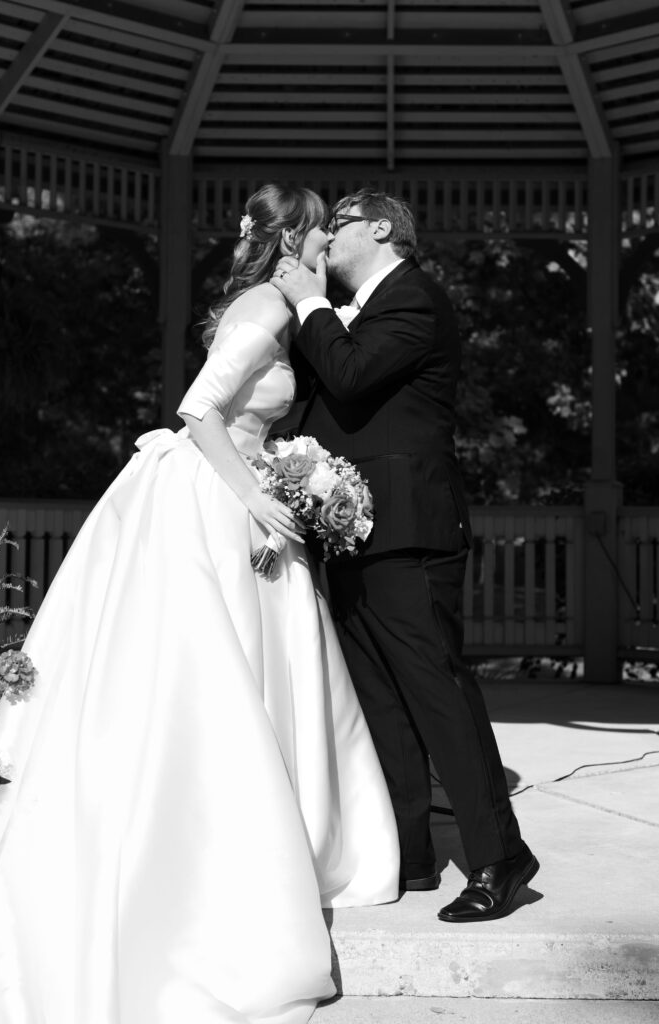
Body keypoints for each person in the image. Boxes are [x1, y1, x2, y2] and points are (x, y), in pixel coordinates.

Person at [0, 184, 400, 1024]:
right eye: (321, 236)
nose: (328, 250)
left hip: (235, 496)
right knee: (209, 682)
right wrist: (256, 496)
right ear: (293, 243)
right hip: (210, 504)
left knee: (263, 672)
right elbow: (199, 408)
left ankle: (292, 838)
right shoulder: (267, 306)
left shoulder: (279, 304)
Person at [271, 189, 539, 923]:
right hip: (348, 532)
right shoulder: (347, 313)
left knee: (437, 696)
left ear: (380, 228)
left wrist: (311, 304)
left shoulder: (414, 298)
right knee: (378, 703)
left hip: (411, 532)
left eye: (339, 225)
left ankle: (499, 859)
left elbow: (353, 375)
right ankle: (409, 852)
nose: (325, 239)